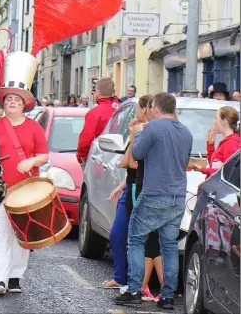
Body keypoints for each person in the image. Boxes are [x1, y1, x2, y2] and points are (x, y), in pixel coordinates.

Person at [114, 93, 193, 310]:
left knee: (136, 240)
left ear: (156, 109)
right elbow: (183, 160)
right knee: (168, 246)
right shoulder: (185, 131)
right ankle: (167, 296)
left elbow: (137, 154)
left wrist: (138, 134)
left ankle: (134, 290)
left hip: (153, 194)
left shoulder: (152, 128)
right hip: (177, 196)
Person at [0, 51, 48, 297]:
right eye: (9, 99)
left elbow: (44, 154)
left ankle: (15, 276)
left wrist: (31, 160)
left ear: (24, 105)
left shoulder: (33, 127)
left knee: (22, 234)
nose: (12, 103)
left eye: (17, 101)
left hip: (27, 189)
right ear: (3, 103)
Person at [76, 77, 120, 165]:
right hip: (121, 159)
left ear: (98, 92)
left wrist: (81, 156)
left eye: (94, 91)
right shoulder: (123, 108)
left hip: (101, 160)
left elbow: (85, 140)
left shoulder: (95, 112)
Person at [191, 106, 240, 177]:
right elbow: (213, 164)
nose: (214, 122)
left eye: (216, 118)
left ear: (224, 122)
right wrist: (210, 144)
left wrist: (203, 169)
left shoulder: (231, 143)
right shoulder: (227, 141)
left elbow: (227, 172)